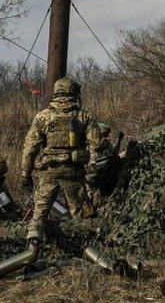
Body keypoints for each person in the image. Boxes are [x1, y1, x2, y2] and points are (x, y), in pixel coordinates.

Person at [20, 77, 101, 243]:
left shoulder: (42, 117)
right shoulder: (84, 116)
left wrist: (25, 175)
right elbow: (96, 146)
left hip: (48, 173)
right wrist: (91, 171)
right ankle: (84, 248)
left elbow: (30, 149)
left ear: (56, 93)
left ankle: (33, 244)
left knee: (39, 214)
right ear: (75, 93)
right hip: (73, 172)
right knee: (80, 215)